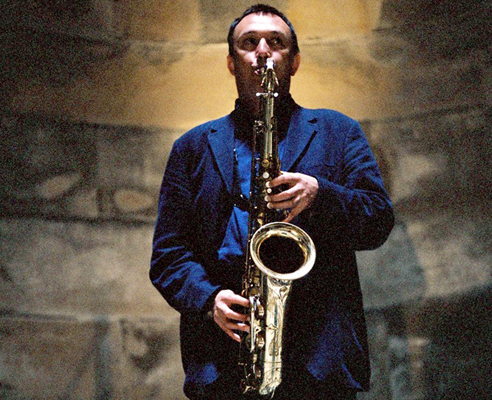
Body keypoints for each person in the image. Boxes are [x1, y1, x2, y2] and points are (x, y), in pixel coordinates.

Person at [150, 4, 394, 399]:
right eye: (249, 43)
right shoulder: (190, 148)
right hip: (223, 362)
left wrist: (322, 195)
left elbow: (379, 220)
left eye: (275, 42)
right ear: (231, 63)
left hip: (320, 363)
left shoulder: (339, 131)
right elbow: (168, 255)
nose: (262, 51)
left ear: (294, 61)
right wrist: (208, 299)